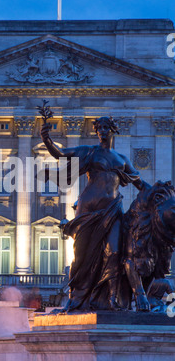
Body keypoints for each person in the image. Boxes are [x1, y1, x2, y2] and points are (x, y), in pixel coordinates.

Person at [41, 116, 150, 311]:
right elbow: (60, 153)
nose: (102, 131)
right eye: (99, 128)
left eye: (106, 127)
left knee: (115, 252)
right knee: (81, 254)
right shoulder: (89, 152)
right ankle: (75, 296)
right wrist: (47, 138)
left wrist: (161, 194)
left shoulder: (122, 159)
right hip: (89, 209)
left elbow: (141, 184)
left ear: (113, 130)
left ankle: (112, 299)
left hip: (113, 209)